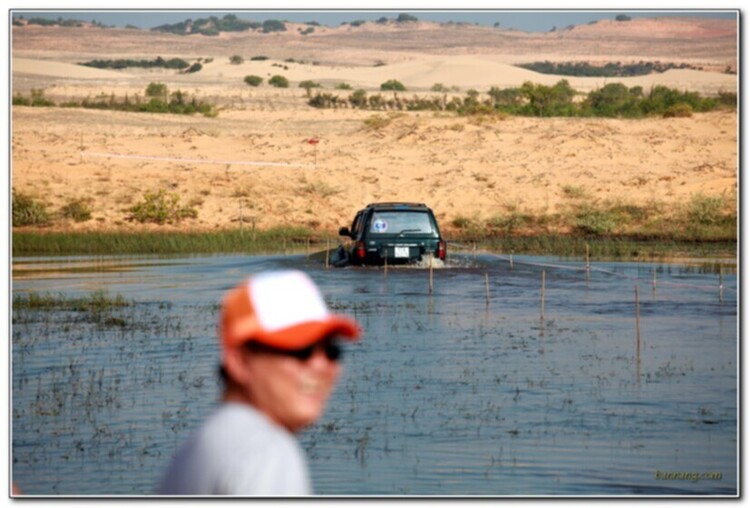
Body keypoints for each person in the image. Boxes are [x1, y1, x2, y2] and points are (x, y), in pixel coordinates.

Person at [157, 270, 360, 496]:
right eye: (300, 350)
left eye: (332, 351)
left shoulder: (198, 448)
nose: (321, 365)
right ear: (239, 361)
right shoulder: (266, 451)